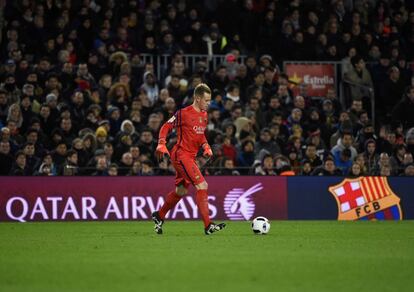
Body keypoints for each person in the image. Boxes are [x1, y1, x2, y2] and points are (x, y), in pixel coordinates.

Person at [152, 83, 226, 235]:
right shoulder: (183, 113)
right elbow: (166, 126)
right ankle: (208, 226)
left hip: (189, 157)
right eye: (206, 100)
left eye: (209, 100)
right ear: (198, 99)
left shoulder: (204, 116)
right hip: (181, 155)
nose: (208, 103)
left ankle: (159, 215)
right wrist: (161, 143)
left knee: (181, 191)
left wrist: (205, 145)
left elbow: (200, 135)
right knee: (202, 185)